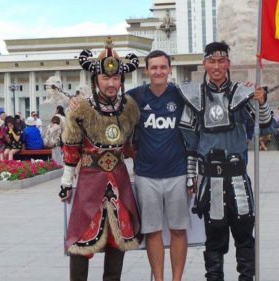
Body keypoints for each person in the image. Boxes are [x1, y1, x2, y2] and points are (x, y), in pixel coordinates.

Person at [178, 41, 271, 281]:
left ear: (228, 63)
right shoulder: (194, 97)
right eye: (212, 61)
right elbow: (190, 144)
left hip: (239, 178)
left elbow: (266, 125)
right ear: (205, 64)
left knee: (244, 238)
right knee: (215, 241)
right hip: (211, 180)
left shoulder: (242, 94)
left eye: (221, 61)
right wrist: (191, 178)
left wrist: (262, 102)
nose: (217, 66)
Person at [59, 38, 141, 281]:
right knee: (81, 239)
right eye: (106, 78)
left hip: (119, 180)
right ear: (96, 80)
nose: (111, 83)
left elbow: (133, 147)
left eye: (116, 78)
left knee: (118, 240)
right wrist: (65, 181)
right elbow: (71, 148)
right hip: (89, 180)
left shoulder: (130, 108)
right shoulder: (81, 109)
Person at [126, 50, 190, 281]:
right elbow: (109, 104)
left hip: (177, 173)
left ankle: (177, 279)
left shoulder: (181, 95)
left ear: (170, 69)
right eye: (154, 67)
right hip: (146, 175)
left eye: (163, 67)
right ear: (147, 70)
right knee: (152, 230)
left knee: (178, 229)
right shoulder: (135, 96)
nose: (158, 71)